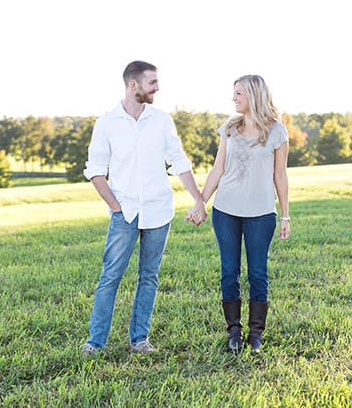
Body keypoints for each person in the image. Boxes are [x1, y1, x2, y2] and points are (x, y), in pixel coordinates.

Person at [81, 60, 207, 356]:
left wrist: (198, 198)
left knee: (148, 276)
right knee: (110, 277)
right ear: (133, 85)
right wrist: (116, 207)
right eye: (152, 82)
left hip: (158, 211)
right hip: (124, 213)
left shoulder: (162, 120)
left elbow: (178, 161)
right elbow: (96, 171)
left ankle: (139, 340)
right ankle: (95, 341)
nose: (157, 88)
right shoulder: (107, 123)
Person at [189, 74, 290, 353]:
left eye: (238, 94)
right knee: (228, 271)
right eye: (233, 93)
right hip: (226, 211)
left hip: (261, 214)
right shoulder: (229, 128)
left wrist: (285, 216)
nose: (233, 98)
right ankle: (234, 331)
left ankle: (256, 334)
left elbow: (280, 176)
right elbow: (217, 168)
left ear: (254, 96)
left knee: (258, 273)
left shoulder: (277, 131)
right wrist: (201, 202)